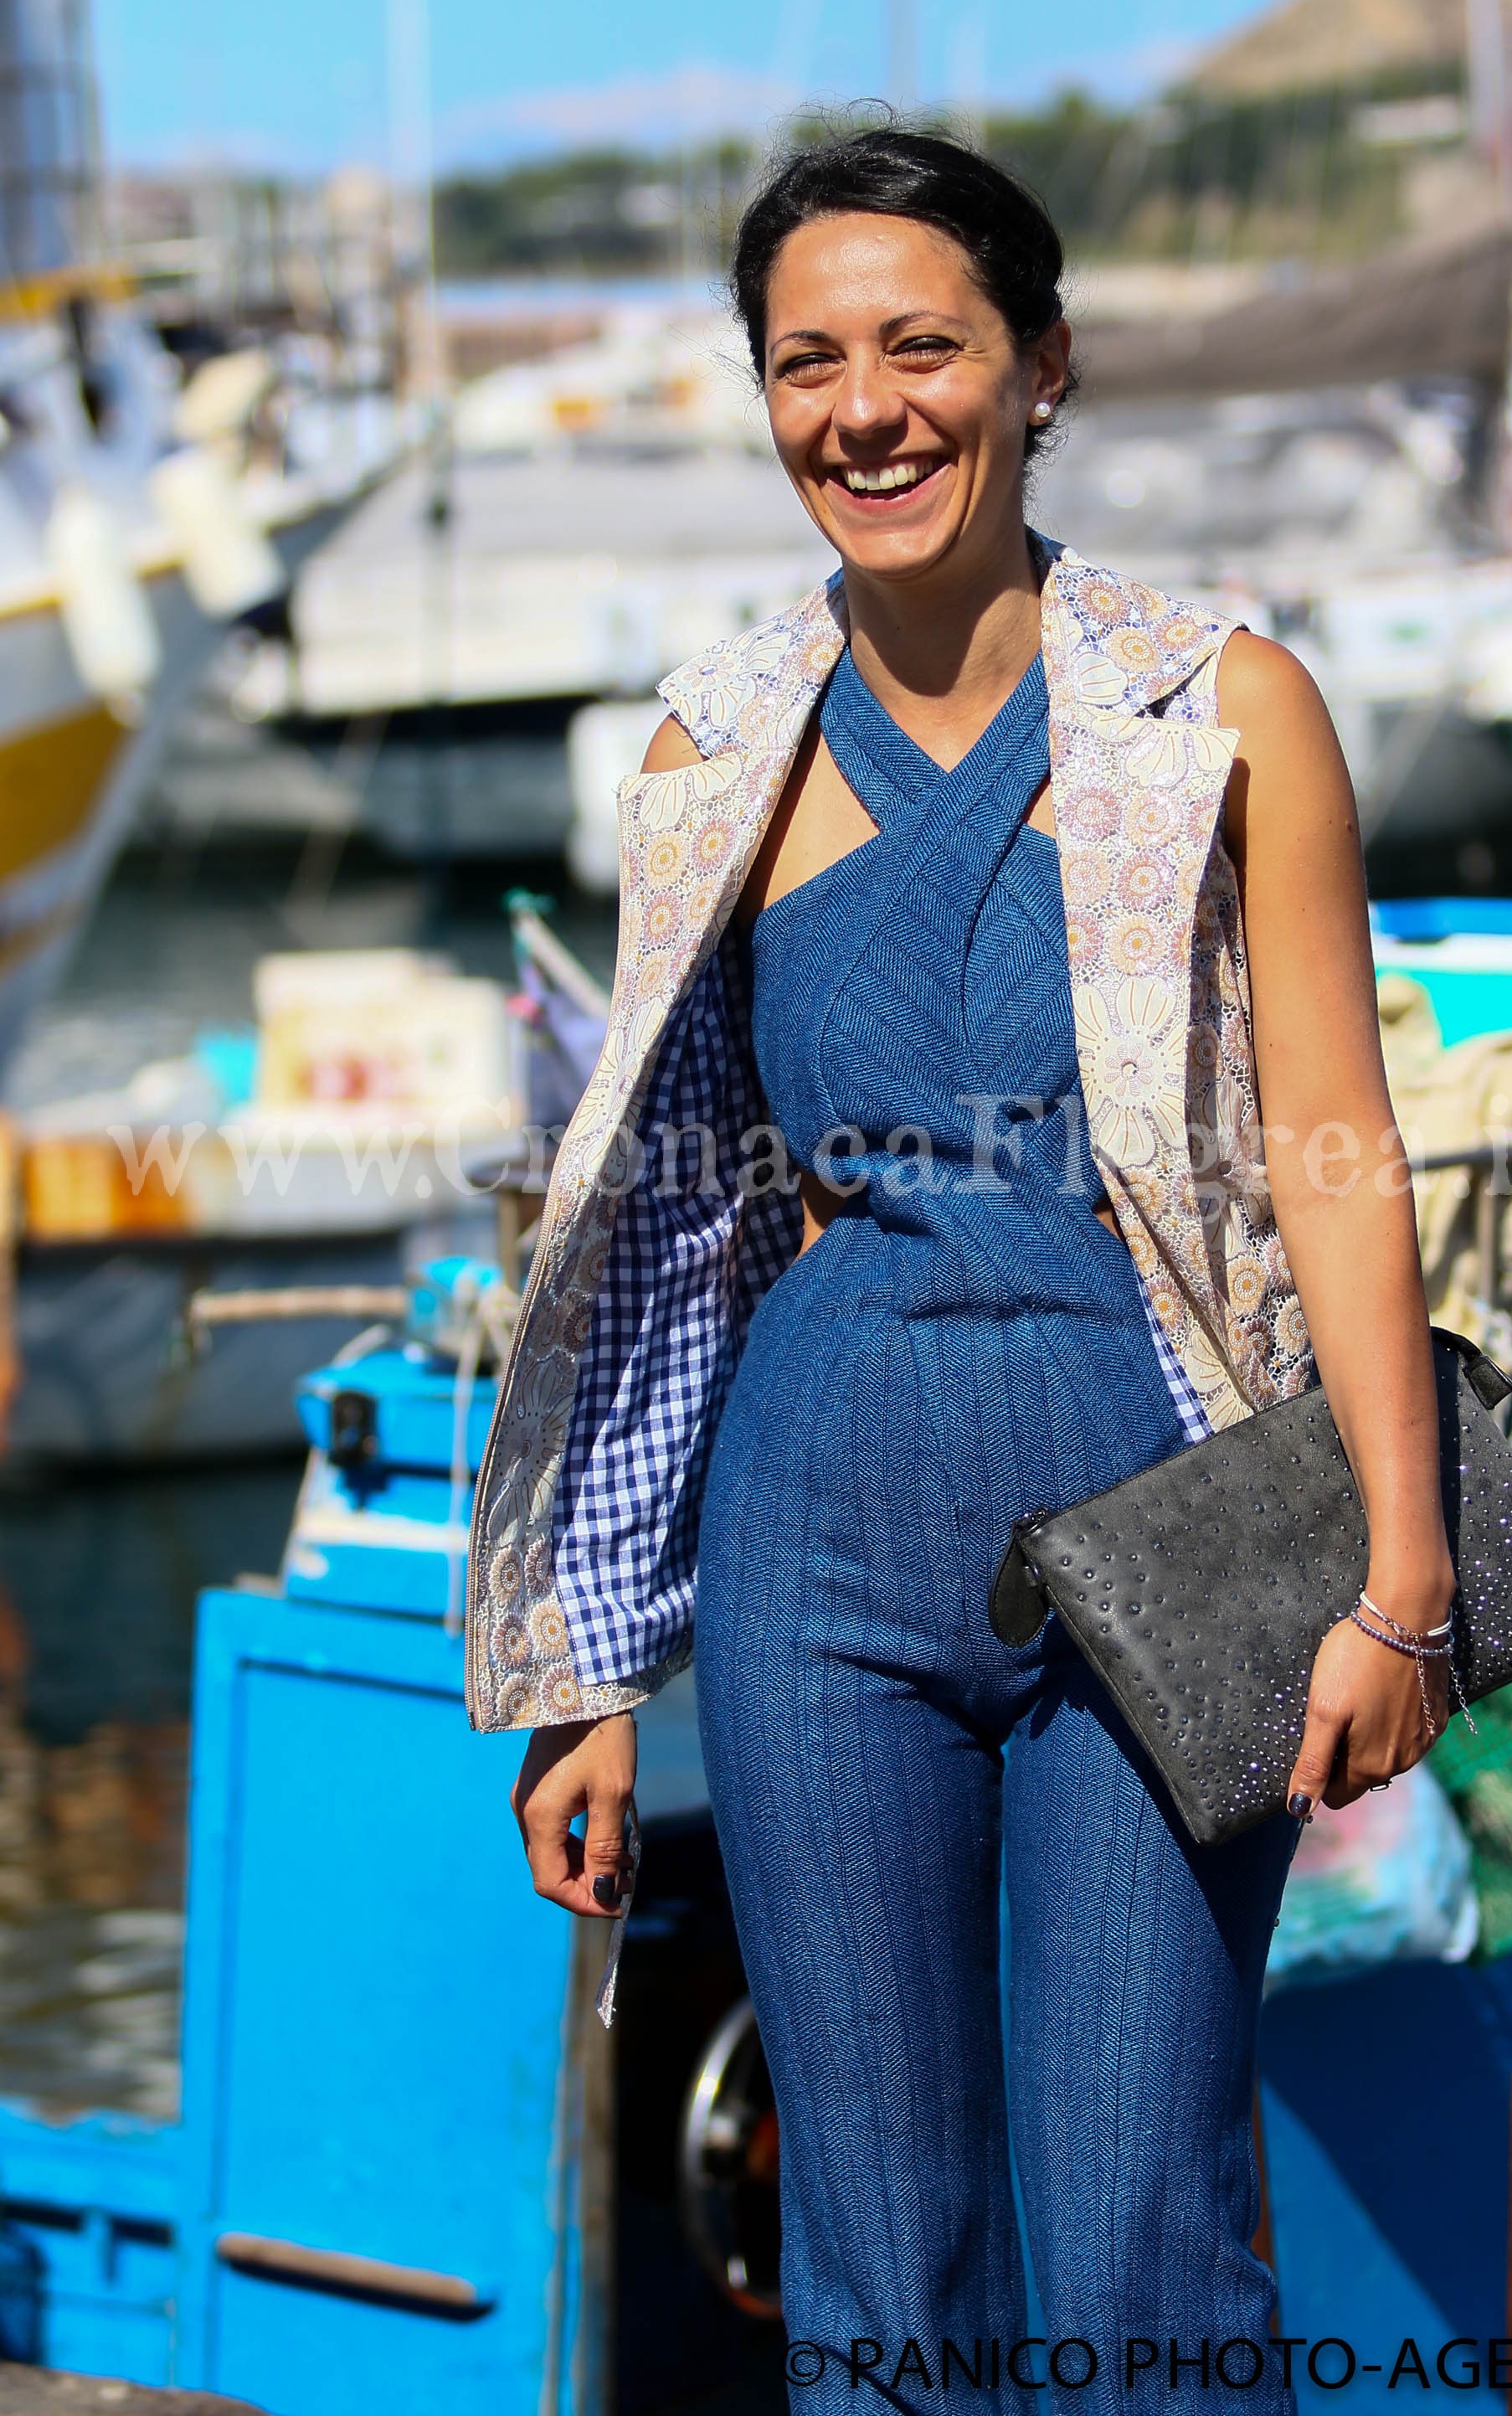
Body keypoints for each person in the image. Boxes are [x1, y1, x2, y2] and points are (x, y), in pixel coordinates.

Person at [471, 128, 1455, 2403]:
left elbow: (1338, 1158)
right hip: (813, 1549)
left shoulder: (1224, 706)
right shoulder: (715, 746)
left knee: (1147, 2245)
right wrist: (587, 1669)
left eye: (923, 347)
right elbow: (670, 1224)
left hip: (1170, 1529)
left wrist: (1401, 1576)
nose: (866, 411)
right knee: (878, 2259)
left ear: (1043, 367)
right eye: (806, 362)